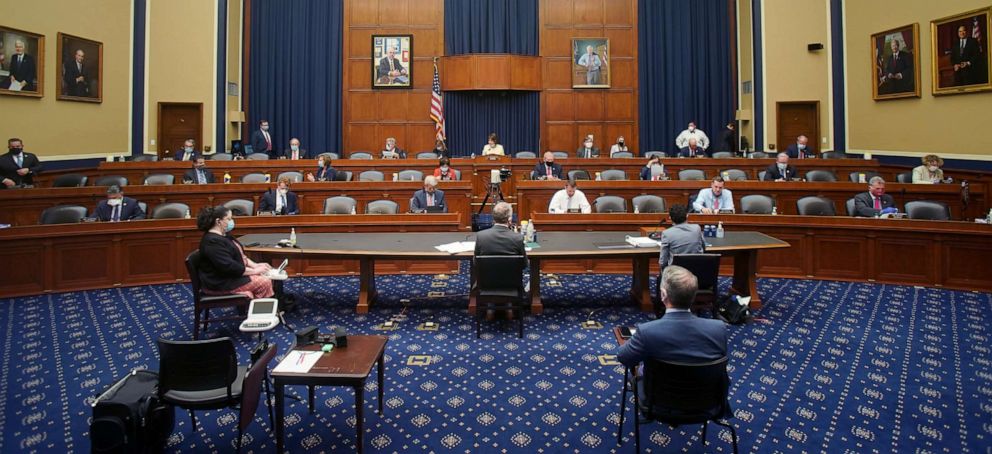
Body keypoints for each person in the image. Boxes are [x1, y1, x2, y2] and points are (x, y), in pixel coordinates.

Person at [617, 265, 727, 369]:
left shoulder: (647, 332)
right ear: (694, 295)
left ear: (663, 295)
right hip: (707, 389)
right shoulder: (718, 329)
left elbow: (623, 358)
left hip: (659, 389)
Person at [196, 205, 275, 299]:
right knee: (264, 281)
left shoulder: (225, 235)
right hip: (220, 282)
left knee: (268, 273)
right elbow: (229, 266)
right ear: (218, 221)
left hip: (231, 276)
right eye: (228, 219)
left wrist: (256, 265)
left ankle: (263, 307)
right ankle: (261, 312)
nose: (231, 222)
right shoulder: (212, 242)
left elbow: (241, 255)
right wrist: (254, 271)